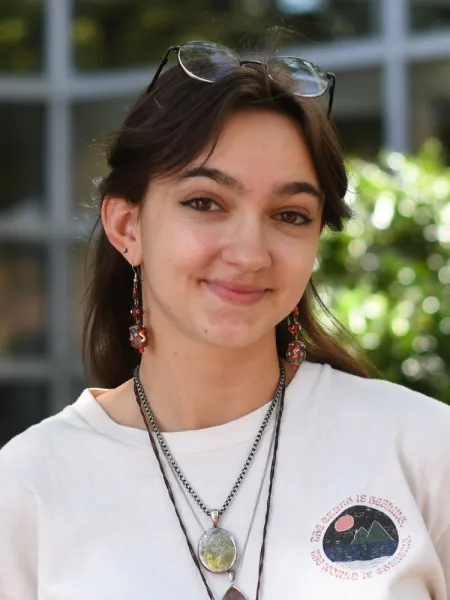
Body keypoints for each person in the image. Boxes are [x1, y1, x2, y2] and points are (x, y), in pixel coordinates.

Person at [0, 40, 449, 600]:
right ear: (127, 227)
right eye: (205, 203)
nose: (250, 252)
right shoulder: (27, 486)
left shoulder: (424, 448)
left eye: (290, 214)